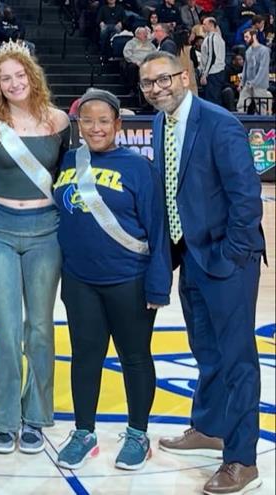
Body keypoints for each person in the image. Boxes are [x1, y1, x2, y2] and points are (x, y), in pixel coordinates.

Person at [139, 51, 265, 495]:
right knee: (206, 349)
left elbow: (246, 195)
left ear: (184, 77)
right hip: (190, 255)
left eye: (164, 79)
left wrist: (232, 254)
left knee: (237, 359)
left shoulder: (219, 123)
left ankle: (242, 460)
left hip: (226, 259)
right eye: (148, 83)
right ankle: (210, 427)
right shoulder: (160, 123)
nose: (157, 88)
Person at [52, 88, 170, 471]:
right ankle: (84, 433)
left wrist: (158, 284)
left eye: (104, 120)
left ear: (118, 124)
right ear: (78, 124)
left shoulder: (138, 167)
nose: (96, 128)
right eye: (87, 121)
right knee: (85, 358)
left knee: (135, 357)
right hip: (79, 281)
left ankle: (138, 434)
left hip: (129, 280)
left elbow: (158, 229)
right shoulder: (68, 160)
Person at [0, 40, 70, 456]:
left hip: (45, 231)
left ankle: (36, 415)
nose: (14, 83)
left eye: (20, 75)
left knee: (40, 327)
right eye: (5, 78)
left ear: (32, 76)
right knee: (7, 329)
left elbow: (68, 178)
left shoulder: (59, 121)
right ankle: (5, 421)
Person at [237, 28, 272, 115]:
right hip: (248, 84)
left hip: (260, 85)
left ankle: (263, 122)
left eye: (247, 37)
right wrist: (242, 83)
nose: (245, 39)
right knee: (241, 105)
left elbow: (263, 69)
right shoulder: (248, 51)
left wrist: (254, 82)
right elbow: (245, 68)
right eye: (244, 37)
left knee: (261, 109)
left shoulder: (264, 51)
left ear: (254, 36)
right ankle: (241, 122)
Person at [198, 17, 226, 106]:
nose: (202, 26)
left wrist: (205, 74)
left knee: (212, 100)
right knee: (215, 98)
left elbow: (212, 57)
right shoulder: (219, 38)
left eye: (204, 24)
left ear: (211, 25)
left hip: (213, 72)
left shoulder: (212, 38)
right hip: (218, 71)